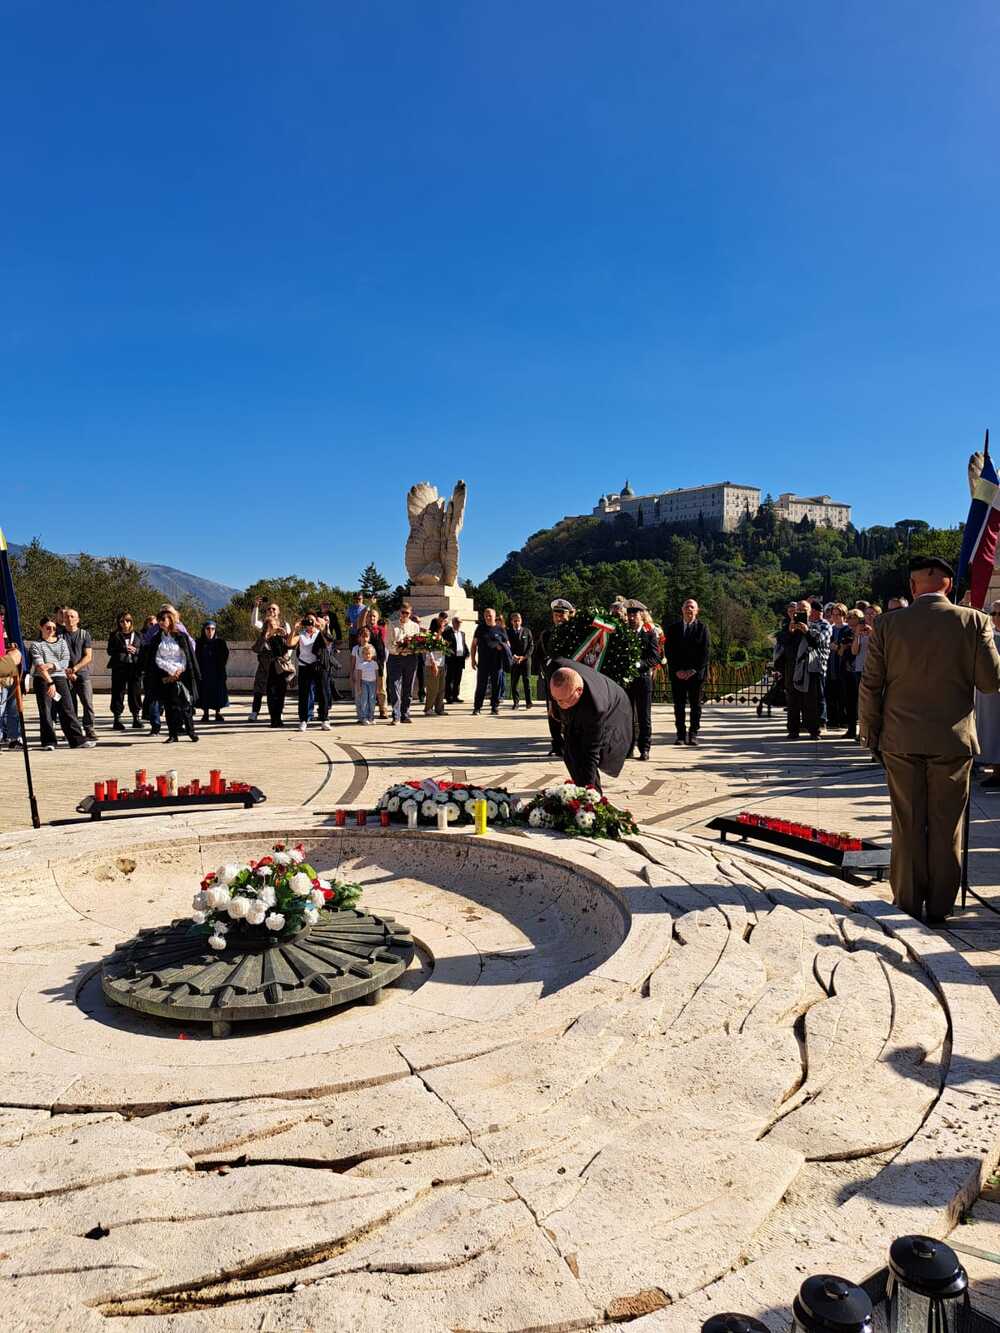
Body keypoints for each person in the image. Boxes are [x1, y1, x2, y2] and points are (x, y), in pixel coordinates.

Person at [859, 555, 1000, 923]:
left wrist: (870, 733)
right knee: (946, 825)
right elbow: (990, 681)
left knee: (906, 823)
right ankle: (940, 906)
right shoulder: (974, 621)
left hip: (900, 736)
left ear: (912, 586)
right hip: (951, 740)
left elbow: (871, 685)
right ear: (948, 585)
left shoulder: (889, 624)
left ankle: (907, 902)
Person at [547, 659, 633, 790]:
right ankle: (582, 790)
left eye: (564, 700)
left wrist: (588, 790)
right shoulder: (555, 669)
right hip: (582, 703)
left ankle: (593, 798)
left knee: (583, 755)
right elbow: (559, 699)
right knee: (569, 753)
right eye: (557, 699)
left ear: (579, 691)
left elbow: (591, 753)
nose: (560, 705)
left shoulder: (595, 708)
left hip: (615, 710)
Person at [29, 617, 92, 750]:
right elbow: (40, 666)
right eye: (48, 628)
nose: (51, 630)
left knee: (67, 708)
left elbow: (65, 661)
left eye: (53, 628)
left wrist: (51, 664)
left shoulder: (62, 642)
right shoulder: (36, 645)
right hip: (43, 680)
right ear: (41, 628)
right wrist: (50, 682)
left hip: (60, 678)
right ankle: (49, 741)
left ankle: (77, 740)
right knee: (46, 711)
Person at [147, 609, 200, 743]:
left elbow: (185, 656)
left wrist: (179, 670)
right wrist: (170, 670)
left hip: (181, 675)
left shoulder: (181, 637)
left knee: (185, 704)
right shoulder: (156, 639)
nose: (160, 622)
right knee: (169, 706)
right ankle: (172, 734)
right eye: (159, 620)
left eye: (163, 619)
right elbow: (157, 659)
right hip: (165, 676)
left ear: (170, 620)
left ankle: (190, 731)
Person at [664, 599, 710, 746]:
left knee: (696, 706)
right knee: (679, 705)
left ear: (697, 610)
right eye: (686, 607)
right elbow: (669, 652)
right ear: (682, 609)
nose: (689, 609)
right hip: (677, 674)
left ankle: (693, 734)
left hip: (696, 675)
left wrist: (692, 670)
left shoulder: (703, 628)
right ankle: (680, 735)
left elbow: (705, 652)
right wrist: (677, 671)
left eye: (692, 607)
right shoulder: (673, 629)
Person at [625, 600, 663, 760]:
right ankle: (628, 747)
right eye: (630, 614)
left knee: (643, 717)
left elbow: (655, 657)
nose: (632, 617)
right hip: (627, 680)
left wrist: (640, 663)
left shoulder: (649, 634)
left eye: (635, 614)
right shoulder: (624, 633)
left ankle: (644, 748)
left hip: (642, 679)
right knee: (627, 716)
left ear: (641, 615)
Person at [539, 599, 575, 756]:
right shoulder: (547, 634)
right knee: (553, 711)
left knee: (570, 711)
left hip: (571, 679)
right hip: (553, 678)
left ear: (569, 615)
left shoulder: (575, 633)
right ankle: (556, 744)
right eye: (556, 614)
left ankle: (570, 743)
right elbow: (541, 655)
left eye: (563, 614)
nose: (559, 617)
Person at [289, 613, 333, 732]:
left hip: (319, 665)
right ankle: (303, 720)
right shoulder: (301, 634)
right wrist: (294, 629)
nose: (310, 623)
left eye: (312, 620)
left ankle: (324, 719)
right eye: (307, 620)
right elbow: (290, 643)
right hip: (304, 666)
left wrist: (321, 628)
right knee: (304, 693)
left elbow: (328, 642)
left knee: (323, 693)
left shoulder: (320, 633)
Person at [59, 608, 97, 742]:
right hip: (64, 674)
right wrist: (67, 671)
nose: (69, 619)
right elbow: (56, 655)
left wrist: (74, 669)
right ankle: (72, 731)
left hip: (82, 673)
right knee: (69, 705)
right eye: (67, 616)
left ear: (78, 619)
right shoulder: (59, 635)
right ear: (63, 619)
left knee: (87, 702)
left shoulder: (84, 634)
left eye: (72, 616)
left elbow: (88, 656)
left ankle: (89, 728)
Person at [249, 600, 291, 720]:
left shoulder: (284, 625)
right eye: (269, 609)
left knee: (280, 689)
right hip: (265, 661)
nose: (271, 611)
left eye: (274, 609)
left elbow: (289, 644)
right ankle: (255, 712)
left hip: (279, 662)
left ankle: (279, 712)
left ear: (278, 612)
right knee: (259, 687)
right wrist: (256, 606)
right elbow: (253, 623)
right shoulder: (264, 624)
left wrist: (286, 659)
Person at [254, 614, 295, 727]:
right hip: (268, 670)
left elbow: (290, 647)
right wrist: (267, 635)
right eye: (269, 626)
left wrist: (286, 635)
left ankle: (279, 717)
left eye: (274, 625)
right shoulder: (264, 638)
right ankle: (273, 719)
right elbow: (256, 649)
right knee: (271, 695)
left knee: (281, 695)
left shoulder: (281, 637)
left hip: (281, 670)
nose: (272, 628)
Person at [107, 612, 144, 732]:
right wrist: (123, 648)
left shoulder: (138, 634)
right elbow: (110, 651)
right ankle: (117, 719)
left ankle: (136, 718)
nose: (125, 624)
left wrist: (136, 650)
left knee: (135, 693)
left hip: (135, 667)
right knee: (118, 693)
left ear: (131, 622)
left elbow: (144, 649)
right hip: (119, 667)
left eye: (127, 621)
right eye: (122, 621)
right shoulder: (115, 635)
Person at [977, 600, 1000, 789]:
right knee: (992, 731)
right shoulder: (987, 636)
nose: (996, 618)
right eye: (993, 614)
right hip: (990, 695)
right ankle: (996, 770)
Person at [386, 602, 420, 725]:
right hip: (395, 658)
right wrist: (398, 649)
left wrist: (412, 648)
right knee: (394, 686)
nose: (404, 615)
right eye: (403, 612)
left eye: (407, 613)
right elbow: (388, 643)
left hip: (410, 658)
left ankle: (405, 714)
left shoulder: (415, 626)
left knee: (408, 686)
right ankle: (396, 715)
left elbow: (418, 643)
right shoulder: (392, 624)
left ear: (411, 614)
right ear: (399, 612)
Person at [471, 608, 511, 716]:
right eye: (486, 616)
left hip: (497, 662)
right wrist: (473, 659)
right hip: (483, 662)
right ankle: (477, 708)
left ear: (494, 616)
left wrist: (501, 646)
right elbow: (474, 645)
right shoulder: (480, 628)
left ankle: (495, 707)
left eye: (490, 615)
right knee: (481, 685)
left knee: (496, 685)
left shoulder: (500, 629)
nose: (488, 617)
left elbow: (508, 645)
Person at [195, 622, 230, 724]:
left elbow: (225, 656)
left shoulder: (220, 642)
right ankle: (205, 713)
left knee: (218, 692)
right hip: (204, 672)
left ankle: (217, 712)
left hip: (217, 672)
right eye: (208, 629)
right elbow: (197, 656)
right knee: (204, 692)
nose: (210, 631)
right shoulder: (200, 643)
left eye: (212, 629)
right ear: (204, 630)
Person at [0, 606, 22, 750]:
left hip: (10, 675)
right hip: (4, 672)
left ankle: (14, 738)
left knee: (13, 710)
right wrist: (13, 658)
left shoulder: (9, 631)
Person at [507, 612, 534, 709]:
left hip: (526, 660)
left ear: (521, 621)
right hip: (514, 660)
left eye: (518, 620)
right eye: (515, 621)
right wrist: (514, 656)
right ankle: (516, 703)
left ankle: (529, 702)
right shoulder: (508, 632)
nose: (517, 622)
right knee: (514, 683)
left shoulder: (527, 631)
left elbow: (531, 646)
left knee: (527, 681)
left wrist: (523, 657)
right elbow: (507, 646)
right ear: (511, 622)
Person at [423, 614, 448, 716]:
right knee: (433, 688)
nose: (444, 625)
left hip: (441, 664)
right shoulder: (430, 636)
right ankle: (428, 708)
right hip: (432, 665)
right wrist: (433, 663)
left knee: (441, 688)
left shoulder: (441, 636)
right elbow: (429, 651)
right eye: (442, 624)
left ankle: (439, 708)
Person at [443, 616, 469, 704]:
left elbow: (463, 644)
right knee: (450, 678)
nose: (459, 624)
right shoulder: (448, 632)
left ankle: (455, 696)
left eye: (460, 623)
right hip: (451, 659)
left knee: (458, 678)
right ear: (453, 623)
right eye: (457, 622)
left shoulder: (462, 633)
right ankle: (448, 696)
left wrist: (467, 652)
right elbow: (445, 645)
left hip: (460, 659)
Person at [355, 643, 379, 724]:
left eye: (369, 654)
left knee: (372, 700)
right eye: (365, 654)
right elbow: (359, 677)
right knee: (364, 700)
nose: (367, 655)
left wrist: (377, 687)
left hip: (373, 683)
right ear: (362, 654)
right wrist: (358, 686)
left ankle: (371, 716)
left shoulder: (374, 664)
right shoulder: (360, 664)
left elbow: (377, 676)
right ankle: (364, 717)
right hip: (364, 683)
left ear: (372, 654)